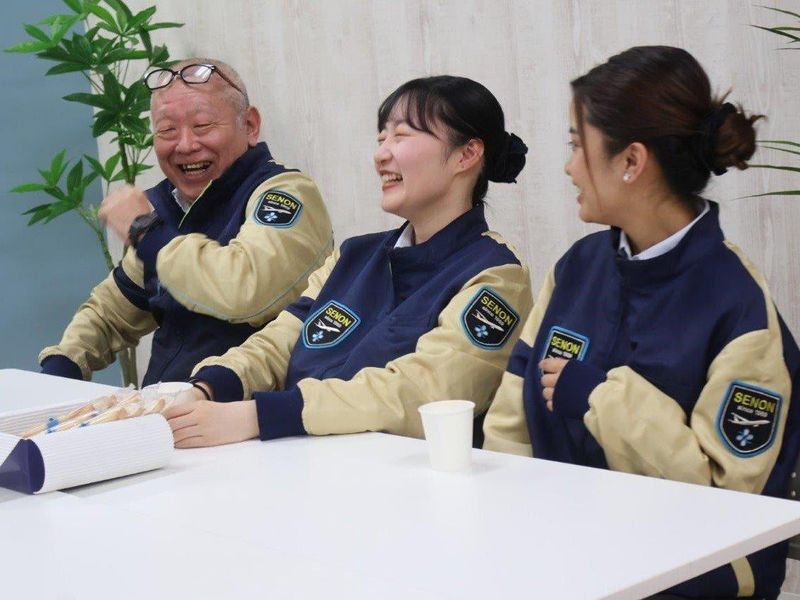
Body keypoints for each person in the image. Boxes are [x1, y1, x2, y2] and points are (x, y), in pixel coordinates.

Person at [483, 45, 800, 599]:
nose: (569, 167)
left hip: (686, 583)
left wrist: (601, 397)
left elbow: (728, 503)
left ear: (631, 161)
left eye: (577, 146)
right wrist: (510, 537)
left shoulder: (738, 308)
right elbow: (508, 426)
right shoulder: (577, 268)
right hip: (560, 562)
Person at [164, 75, 533, 448]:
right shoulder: (353, 255)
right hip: (301, 462)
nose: (381, 154)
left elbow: (424, 392)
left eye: (401, 136)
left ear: (466, 155)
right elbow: (279, 342)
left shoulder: (496, 276)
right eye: (381, 139)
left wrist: (260, 416)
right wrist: (209, 386)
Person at [39, 58, 333, 386]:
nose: (186, 145)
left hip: (244, 405)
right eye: (167, 130)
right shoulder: (166, 208)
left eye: (202, 126)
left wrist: (147, 232)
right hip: (165, 406)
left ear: (250, 125)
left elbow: (246, 291)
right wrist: (62, 365)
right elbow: (111, 313)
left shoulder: (286, 194)